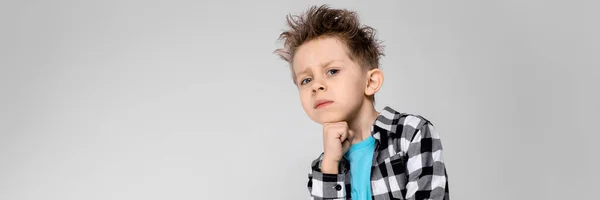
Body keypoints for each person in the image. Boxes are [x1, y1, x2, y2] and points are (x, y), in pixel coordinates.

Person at [274, 5, 450, 200]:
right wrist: (331, 164)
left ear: (371, 82)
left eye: (332, 71)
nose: (316, 86)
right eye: (306, 80)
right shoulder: (323, 167)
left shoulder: (411, 133)